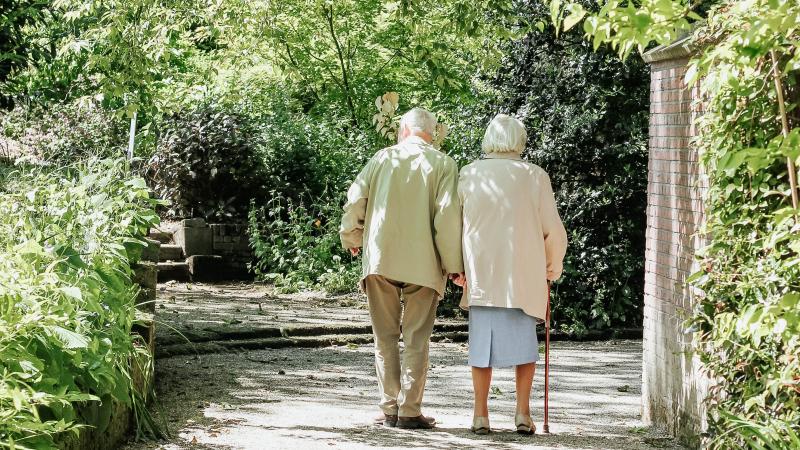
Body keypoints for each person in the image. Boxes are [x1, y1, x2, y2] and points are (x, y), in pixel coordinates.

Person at [340, 107, 463, 430]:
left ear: (404, 130)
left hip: (382, 259)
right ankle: (409, 410)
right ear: (432, 134)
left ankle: (389, 407)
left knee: (384, 337)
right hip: (424, 264)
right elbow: (447, 218)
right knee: (416, 339)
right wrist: (454, 266)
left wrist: (351, 236)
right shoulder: (444, 164)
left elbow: (355, 200)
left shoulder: (382, 159)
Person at [453, 113, 567, 435]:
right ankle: (522, 413)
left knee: (480, 348)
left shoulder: (469, 174)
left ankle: (480, 414)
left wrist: (457, 267)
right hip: (523, 275)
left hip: (483, 274)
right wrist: (551, 266)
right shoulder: (535, 176)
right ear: (520, 141)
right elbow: (553, 231)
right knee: (525, 347)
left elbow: (455, 226)